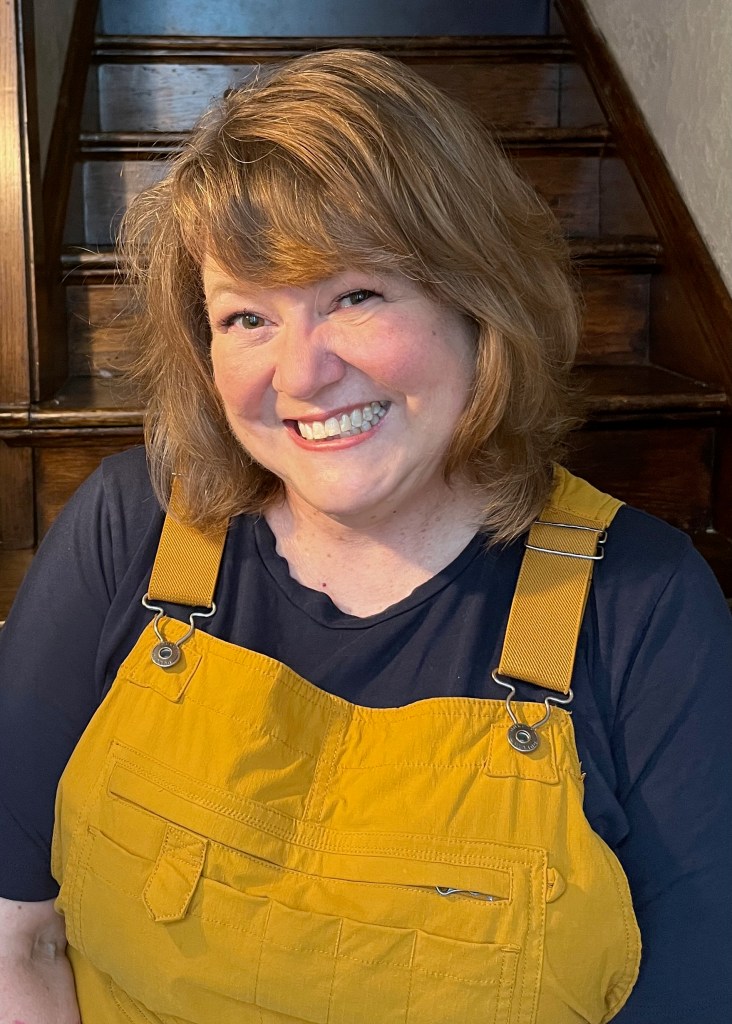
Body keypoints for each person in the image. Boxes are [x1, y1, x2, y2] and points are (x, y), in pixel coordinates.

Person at [0, 48, 730, 1024]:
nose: (301, 377)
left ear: (481, 301)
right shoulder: (130, 527)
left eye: (354, 295)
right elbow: (18, 934)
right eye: (248, 315)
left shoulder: (643, 605)